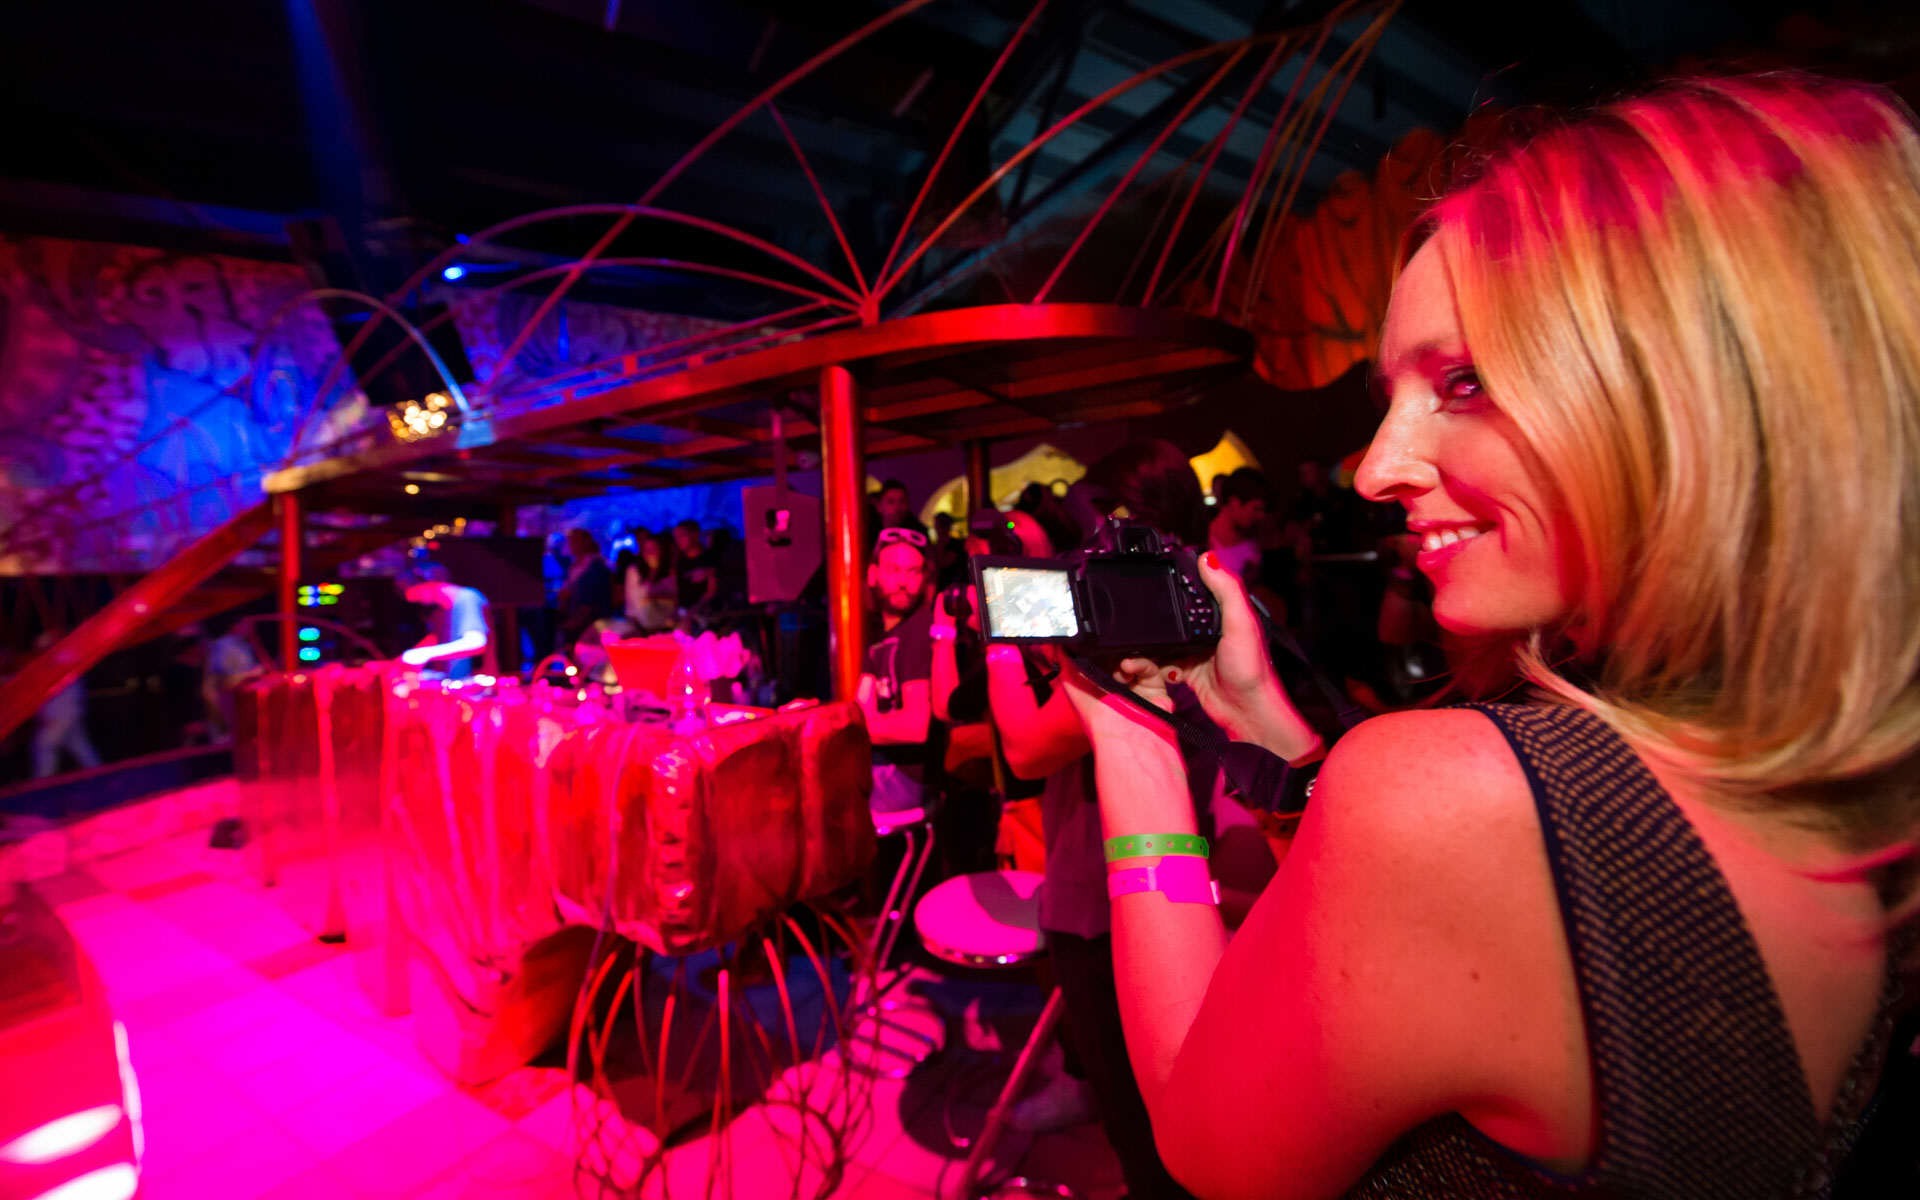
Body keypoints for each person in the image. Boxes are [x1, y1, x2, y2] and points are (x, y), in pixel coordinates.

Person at [1061, 74, 1920, 1199]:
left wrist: (1130, 738)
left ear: (1702, 392)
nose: (1376, 469)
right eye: (1392, 396)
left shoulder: (1461, 801)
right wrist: (1266, 721)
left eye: (1462, 382)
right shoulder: (1836, 789)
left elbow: (1204, 1139)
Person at [988, 441, 1274, 1198]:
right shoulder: (1196, 603)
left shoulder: (1136, 634)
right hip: (1177, 872)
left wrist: (997, 644)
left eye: (1095, 529)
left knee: (1147, 1122)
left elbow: (1026, 748)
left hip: (1112, 893)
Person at [856, 526, 937, 817]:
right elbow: (860, 705)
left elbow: (915, 726)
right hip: (880, 767)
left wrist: (849, 729)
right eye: (894, 570)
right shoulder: (877, 634)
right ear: (873, 574)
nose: (903, 582)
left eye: (913, 572)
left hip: (906, 779)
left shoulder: (919, 629)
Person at [400, 564, 494, 679]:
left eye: (417, 593)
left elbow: (476, 642)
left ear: (431, 582)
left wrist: (424, 653)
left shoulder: (467, 598)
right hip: (457, 682)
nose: (419, 600)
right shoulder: (442, 611)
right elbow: (435, 642)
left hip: (480, 684)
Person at [30, 630, 101, 777]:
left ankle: (42, 783)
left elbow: (58, 694)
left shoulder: (59, 662)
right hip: (66, 715)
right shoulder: (56, 663)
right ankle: (100, 774)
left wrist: (51, 717)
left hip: (60, 716)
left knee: (44, 746)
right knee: (80, 747)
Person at [1206, 466, 1270, 587]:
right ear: (1234, 503)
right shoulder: (1203, 537)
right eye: (1256, 509)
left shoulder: (1255, 540)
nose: (1260, 516)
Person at [556, 528, 615, 649]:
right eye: (571, 540)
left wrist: (575, 621)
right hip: (575, 620)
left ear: (586, 542)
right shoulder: (574, 566)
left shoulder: (596, 566)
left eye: (575, 540)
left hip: (591, 624)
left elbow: (593, 599)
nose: (572, 544)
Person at [621, 531, 679, 633]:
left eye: (653, 549)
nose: (650, 553)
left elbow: (674, 600)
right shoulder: (633, 571)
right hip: (640, 626)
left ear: (662, 551)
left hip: (666, 626)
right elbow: (632, 603)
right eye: (646, 550)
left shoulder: (671, 572)